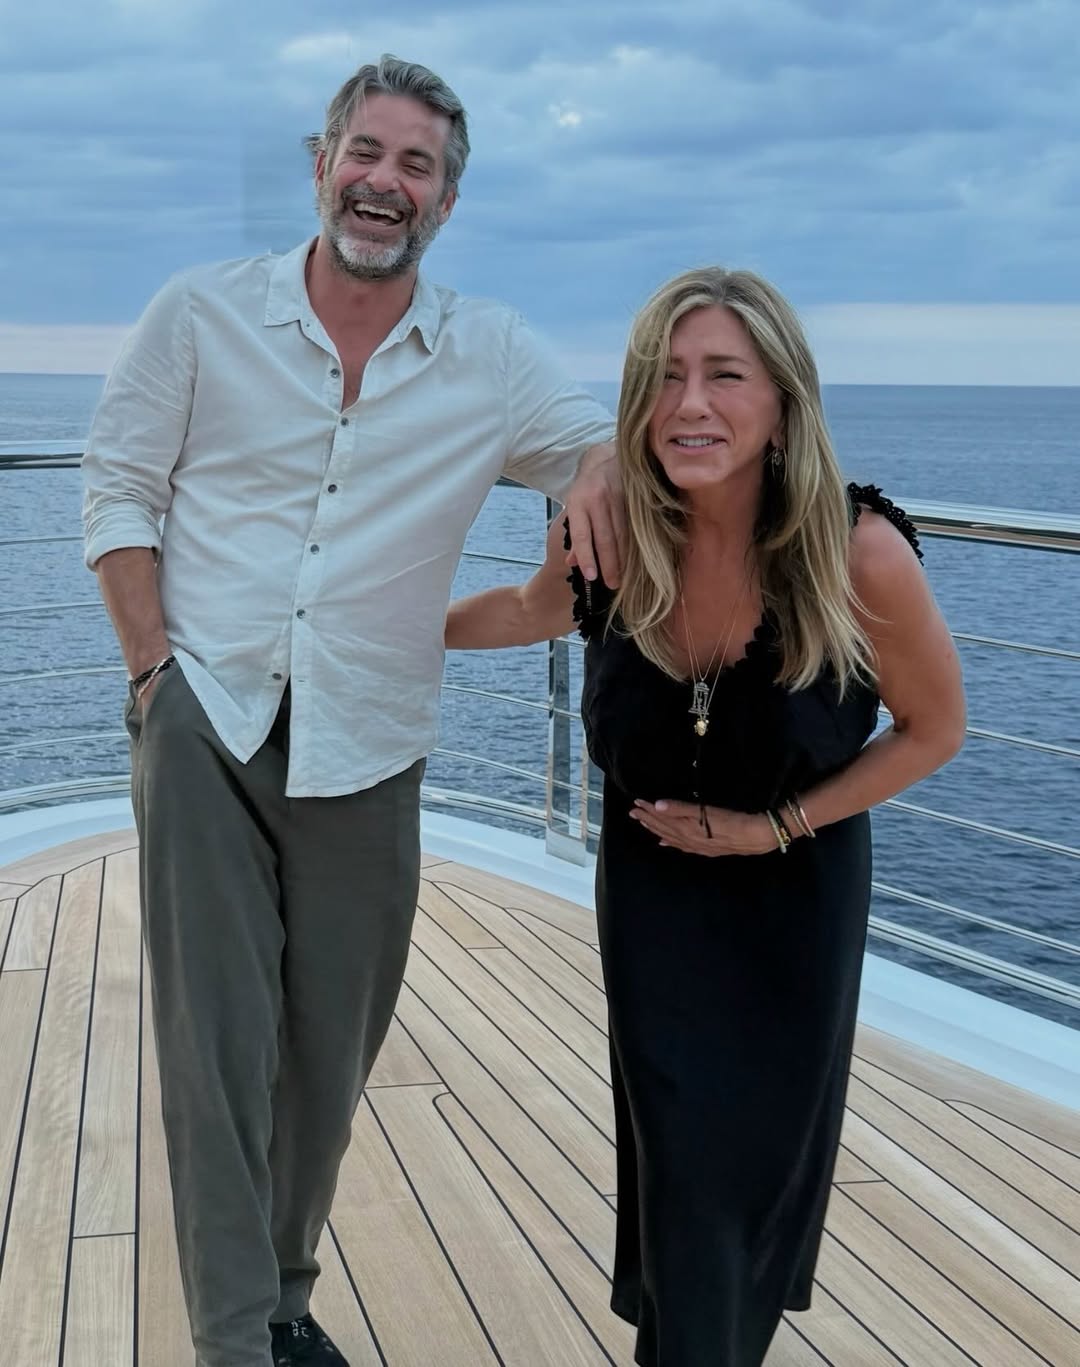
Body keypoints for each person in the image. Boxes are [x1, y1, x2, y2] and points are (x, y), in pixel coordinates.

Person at [82, 55, 621, 1367]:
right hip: (206, 713)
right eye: (366, 153)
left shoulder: (488, 355)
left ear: (445, 201)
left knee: (330, 1054)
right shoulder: (202, 313)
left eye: (417, 165)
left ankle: (278, 1287)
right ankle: (232, 1339)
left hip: (371, 738)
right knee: (217, 1049)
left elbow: (596, 445)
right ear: (324, 163)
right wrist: (154, 675)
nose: (386, 182)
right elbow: (116, 489)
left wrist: (600, 472)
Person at [445, 266, 966, 1366]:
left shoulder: (857, 551)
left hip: (794, 905)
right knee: (682, 1176)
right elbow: (525, 611)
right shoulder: (614, 536)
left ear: (781, 401)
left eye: (725, 375)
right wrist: (376, 626)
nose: (691, 403)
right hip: (653, 903)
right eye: (666, 377)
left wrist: (773, 827)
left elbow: (931, 730)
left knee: (751, 1186)